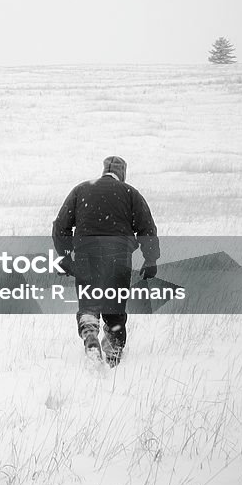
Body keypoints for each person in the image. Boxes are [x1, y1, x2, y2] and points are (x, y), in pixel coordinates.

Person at [52, 156, 160, 367]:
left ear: (104, 171)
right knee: (114, 307)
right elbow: (147, 228)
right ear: (122, 174)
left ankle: (90, 331)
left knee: (89, 302)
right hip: (118, 257)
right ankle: (113, 356)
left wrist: (65, 255)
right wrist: (150, 259)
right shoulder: (130, 193)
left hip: (86, 255)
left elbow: (61, 225)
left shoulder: (81, 190)